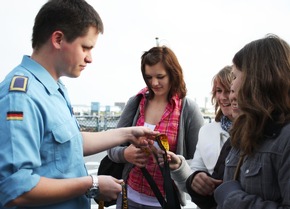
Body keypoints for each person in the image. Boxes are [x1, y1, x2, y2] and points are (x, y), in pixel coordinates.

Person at [0, 1, 159, 209]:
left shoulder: (54, 88)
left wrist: (128, 133)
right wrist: (92, 184)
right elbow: (15, 189)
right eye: (86, 47)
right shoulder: (21, 96)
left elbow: (72, 143)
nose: (90, 58)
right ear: (58, 39)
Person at [107, 46, 204, 209]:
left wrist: (178, 164)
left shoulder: (188, 109)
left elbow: (199, 163)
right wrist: (125, 154)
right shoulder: (136, 102)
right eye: (149, 77)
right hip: (128, 196)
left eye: (160, 76)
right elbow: (111, 147)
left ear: (173, 74)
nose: (154, 83)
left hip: (165, 201)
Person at [214, 34, 290, 208]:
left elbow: (230, 195)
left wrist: (234, 200)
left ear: (256, 78)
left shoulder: (286, 139)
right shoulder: (242, 131)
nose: (231, 86)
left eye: (234, 77)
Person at [156, 66, 234, 209]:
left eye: (229, 91)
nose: (223, 97)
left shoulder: (257, 131)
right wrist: (181, 168)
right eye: (219, 91)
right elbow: (192, 178)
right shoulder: (206, 131)